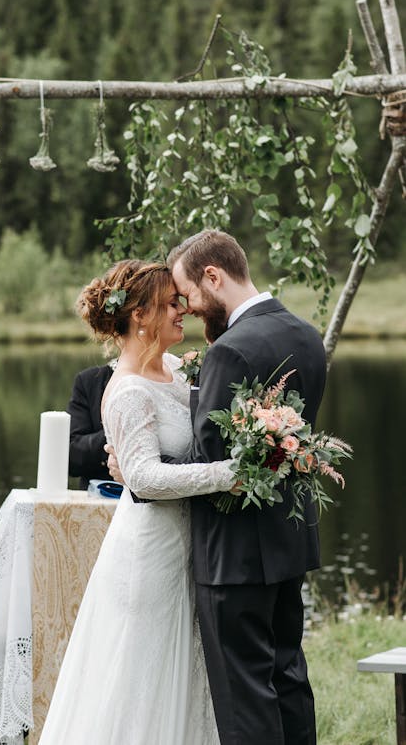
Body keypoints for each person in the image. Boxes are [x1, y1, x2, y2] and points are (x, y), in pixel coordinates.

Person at [38, 259, 238, 745]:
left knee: (188, 674)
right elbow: (145, 478)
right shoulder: (125, 389)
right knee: (142, 676)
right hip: (151, 551)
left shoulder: (173, 368)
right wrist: (228, 475)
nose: (184, 310)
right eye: (172, 303)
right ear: (139, 315)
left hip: (189, 543)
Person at [164, 229, 326, 745]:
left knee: (244, 696)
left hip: (234, 554)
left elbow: (207, 461)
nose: (188, 309)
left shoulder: (230, 351)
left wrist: (141, 468)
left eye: (188, 294)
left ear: (214, 276)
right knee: (287, 678)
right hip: (288, 544)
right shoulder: (306, 334)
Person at [66, 362, 115, 489]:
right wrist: (120, 431)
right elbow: (72, 457)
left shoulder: (172, 377)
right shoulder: (91, 380)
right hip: (102, 497)